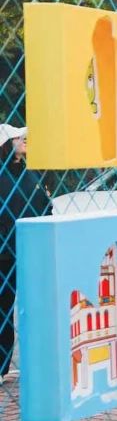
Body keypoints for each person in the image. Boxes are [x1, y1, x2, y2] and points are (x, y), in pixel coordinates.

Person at [0, 125, 50, 380]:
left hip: (31, 250)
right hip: (5, 254)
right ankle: (1, 366)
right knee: (4, 309)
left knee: (37, 307)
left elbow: (45, 205)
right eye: (17, 137)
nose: (24, 139)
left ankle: (40, 362)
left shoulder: (30, 172)